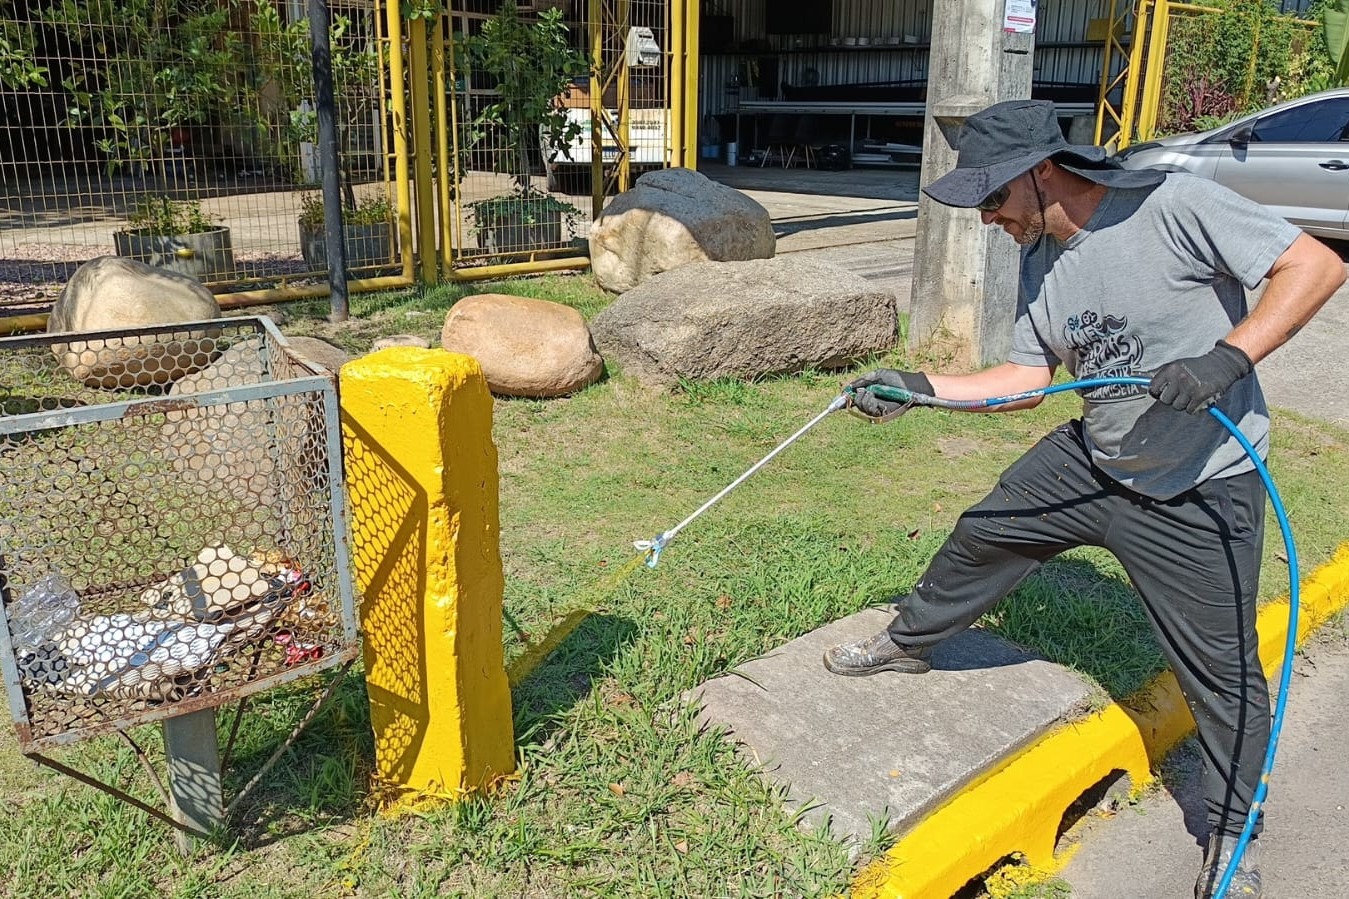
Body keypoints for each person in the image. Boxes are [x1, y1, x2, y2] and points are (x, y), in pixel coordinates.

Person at [822, 99, 1344, 899]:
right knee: (987, 530)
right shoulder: (1042, 256)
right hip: (1098, 458)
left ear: (1042, 172)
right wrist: (921, 387)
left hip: (1198, 479)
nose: (988, 218)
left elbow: (1316, 265)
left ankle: (1235, 829)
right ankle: (908, 640)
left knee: (1222, 673)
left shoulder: (1174, 203)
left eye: (993, 199)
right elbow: (1028, 382)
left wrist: (1225, 359)